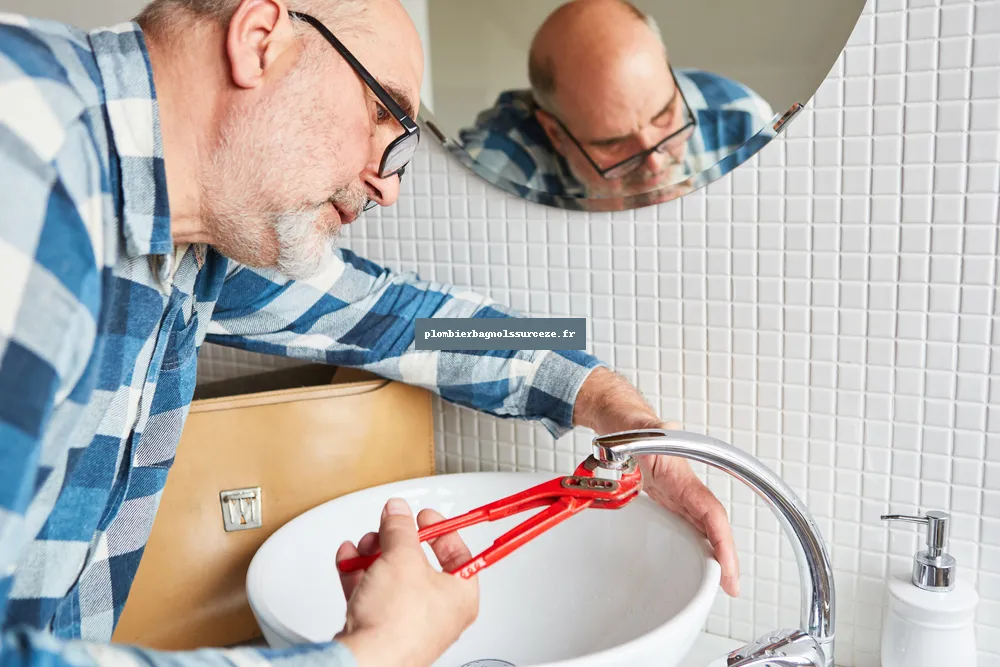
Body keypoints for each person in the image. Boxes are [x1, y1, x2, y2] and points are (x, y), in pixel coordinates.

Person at [0, 1, 739, 666]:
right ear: (260, 41)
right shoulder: (26, 149)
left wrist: (613, 405)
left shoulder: (194, 245)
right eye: (384, 112)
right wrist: (375, 654)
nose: (390, 185)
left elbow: (405, 316)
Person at [455, 0, 776, 210]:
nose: (654, 164)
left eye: (664, 115)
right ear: (555, 133)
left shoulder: (743, 120)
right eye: (612, 142)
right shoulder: (494, 170)